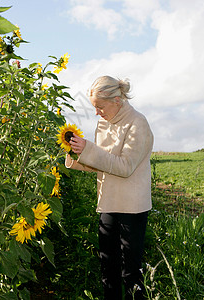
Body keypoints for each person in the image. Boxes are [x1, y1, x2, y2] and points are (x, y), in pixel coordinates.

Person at [65, 75, 154, 299]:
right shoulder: (104, 122)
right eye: (94, 107)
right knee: (107, 268)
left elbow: (124, 167)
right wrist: (76, 153)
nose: (96, 112)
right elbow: (102, 164)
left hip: (132, 207)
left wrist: (89, 149)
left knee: (130, 273)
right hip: (108, 203)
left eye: (99, 107)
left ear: (116, 99)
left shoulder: (137, 122)